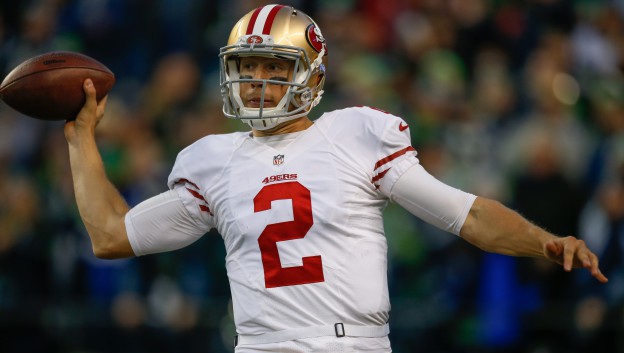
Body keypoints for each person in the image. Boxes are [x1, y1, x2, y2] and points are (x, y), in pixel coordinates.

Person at [64, 4, 608, 353]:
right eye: (245, 69)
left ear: (311, 75)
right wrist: (79, 137)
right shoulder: (214, 159)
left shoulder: (354, 135)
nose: (255, 83)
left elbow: (465, 215)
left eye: (273, 67)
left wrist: (543, 241)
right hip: (257, 346)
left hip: (352, 346)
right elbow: (111, 235)